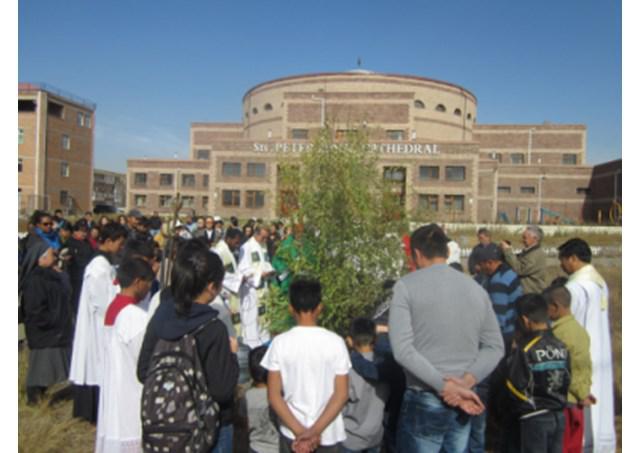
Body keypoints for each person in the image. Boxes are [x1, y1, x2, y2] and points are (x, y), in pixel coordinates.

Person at [389, 223, 503, 452]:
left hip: (426, 396)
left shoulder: (406, 287)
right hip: (464, 397)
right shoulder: (476, 289)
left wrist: (445, 386)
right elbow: (495, 347)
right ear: (448, 252)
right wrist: (466, 382)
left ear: (417, 254)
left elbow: (402, 349)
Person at [137, 240, 239, 453]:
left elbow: (143, 370)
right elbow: (222, 391)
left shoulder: (161, 316)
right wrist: (232, 356)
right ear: (212, 287)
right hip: (209, 430)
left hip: (163, 427)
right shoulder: (212, 327)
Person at [261, 277, 351, 453]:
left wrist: (300, 432)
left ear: (290, 309)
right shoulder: (336, 342)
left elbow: (274, 396)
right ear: (320, 308)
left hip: (291, 433)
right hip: (327, 433)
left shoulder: (279, 343)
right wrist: (314, 432)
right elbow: (341, 394)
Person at [557, 238, 616, 453]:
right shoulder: (599, 282)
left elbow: (567, 321)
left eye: (563, 260)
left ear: (573, 258)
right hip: (599, 352)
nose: (561, 266)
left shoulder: (575, 287)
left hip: (581, 353)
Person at [466, 243, 523, 453]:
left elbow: (497, 320)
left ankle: (492, 431)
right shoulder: (509, 273)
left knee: (491, 384)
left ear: (490, 262)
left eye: (483, 265)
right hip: (510, 335)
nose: (481, 269)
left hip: (500, 338)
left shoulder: (498, 281)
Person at [69, 222, 128, 423]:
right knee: (93, 365)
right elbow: (101, 302)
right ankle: (89, 412)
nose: (121, 248)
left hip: (101, 324)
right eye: (119, 243)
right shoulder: (98, 268)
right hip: (97, 326)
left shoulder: (106, 264)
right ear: (109, 241)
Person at [96, 258, 154, 453]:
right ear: (138, 282)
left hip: (115, 385)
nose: (149, 289)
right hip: (130, 387)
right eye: (148, 283)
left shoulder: (114, 307)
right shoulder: (133, 316)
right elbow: (145, 359)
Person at [501, 293, 571, 453]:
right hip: (559, 415)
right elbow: (567, 378)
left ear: (525, 320)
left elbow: (513, 386)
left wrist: (527, 407)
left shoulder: (525, 349)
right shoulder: (561, 346)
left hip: (533, 418)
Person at [544, 281, 595, 453]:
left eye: (547, 308)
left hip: (567, 398)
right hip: (576, 397)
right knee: (573, 446)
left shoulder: (559, 334)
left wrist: (581, 393)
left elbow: (574, 368)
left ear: (556, 307)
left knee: (562, 445)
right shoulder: (579, 330)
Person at [21, 244, 74, 405]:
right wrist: (52, 323)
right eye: (52, 254)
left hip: (55, 331)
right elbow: (34, 309)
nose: (55, 257)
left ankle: (46, 401)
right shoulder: (36, 279)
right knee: (40, 370)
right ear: (41, 258)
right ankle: (35, 401)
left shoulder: (52, 275)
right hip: (46, 333)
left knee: (50, 370)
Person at [342, 318, 389, 453]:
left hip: (350, 438)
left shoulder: (347, 369)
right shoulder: (385, 365)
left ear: (350, 341)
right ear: (375, 340)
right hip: (376, 435)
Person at [238, 225, 274, 348]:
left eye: (267, 238)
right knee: (252, 319)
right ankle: (252, 346)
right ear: (256, 234)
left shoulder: (263, 247)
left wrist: (270, 270)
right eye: (263, 237)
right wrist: (259, 275)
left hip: (263, 288)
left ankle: (264, 343)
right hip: (251, 290)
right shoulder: (246, 247)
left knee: (264, 318)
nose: (265, 241)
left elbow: (266, 262)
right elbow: (243, 270)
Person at [240, 345, 279, 453]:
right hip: (277, 448)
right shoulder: (279, 396)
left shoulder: (247, 396)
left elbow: (245, 423)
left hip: (255, 447)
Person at [212, 227, 244, 336]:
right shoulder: (219, 252)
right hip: (224, 295)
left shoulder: (229, 251)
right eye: (236, 242)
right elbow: (218, 274)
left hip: (233, 293)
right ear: (228, 239)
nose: (237, 245)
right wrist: (239, 279)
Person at [499, 225, 547, 294]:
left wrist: (508, 251)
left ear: (535, 238)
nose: (523, 240)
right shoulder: (530, 252)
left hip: (532, 293)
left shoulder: (536, 254)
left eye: (525, 238)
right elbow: (517, 261)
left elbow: (520, 269)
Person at [66, 219, 95, 314]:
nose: (84, 233)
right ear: (75, 231)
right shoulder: (70, 243)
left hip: (87, 276)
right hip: (75, 278)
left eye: (85, 231)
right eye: (81, 231)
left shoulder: (87, 243)